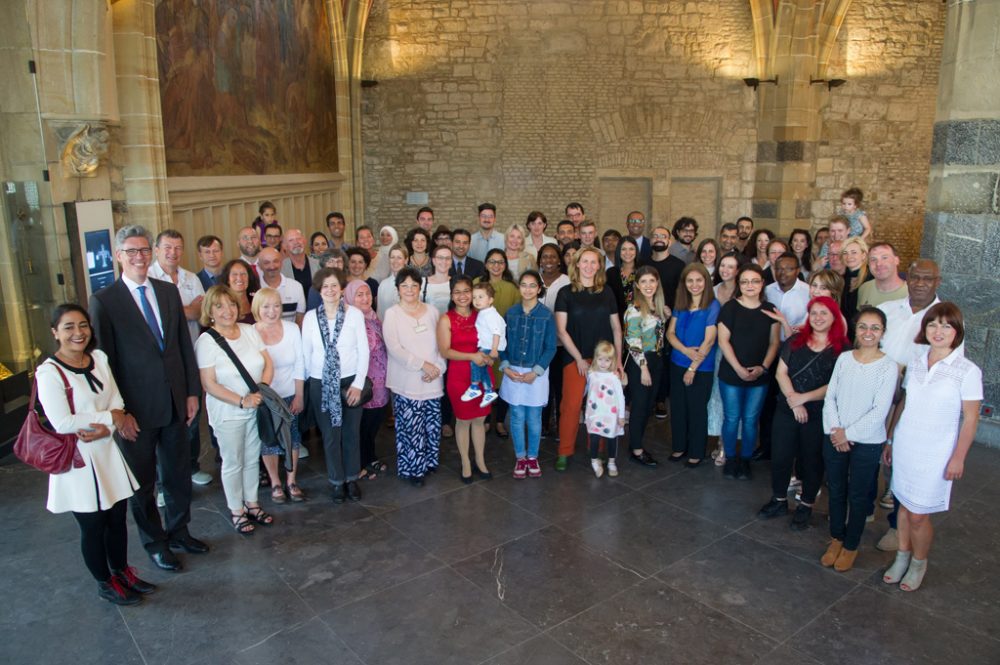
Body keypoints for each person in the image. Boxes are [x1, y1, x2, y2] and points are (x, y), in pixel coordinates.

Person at [90, 225, 206, 573]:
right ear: (118, 256)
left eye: (143, 251)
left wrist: (190, 392)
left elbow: (182, 347)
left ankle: (179, 530)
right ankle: (155, 543)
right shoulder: (105, 301)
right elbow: (104, 362)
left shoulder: (167, 292)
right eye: (131, 252)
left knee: (178, 473)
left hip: (174, 400)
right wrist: (119, 412)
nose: (139, 257)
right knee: (142, 483)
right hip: (135, 411)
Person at [38, 304, 150, 605]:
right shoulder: (49, 373)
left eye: (83, 325)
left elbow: (116, 400)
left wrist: (107, 422)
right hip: (78, 460)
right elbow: (62, 422)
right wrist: (108, 419)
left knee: (116, 518)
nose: (78, 333)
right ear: (55, 332)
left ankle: (122, 571)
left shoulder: (98, 358)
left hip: (105, 452)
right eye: (69, 327)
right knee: (92, 525)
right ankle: (104, 582)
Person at [882, 303, 981, 592]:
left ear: (957, 331)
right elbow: (904, 402)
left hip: (936, 452)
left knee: (918, 514)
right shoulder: (916, 362)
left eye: (947, 325)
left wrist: (958, 458)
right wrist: (890, 439)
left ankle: (919, 561)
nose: (939, 331)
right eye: (933, 324)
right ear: (924, 329)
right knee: (902, 506)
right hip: (906, 443)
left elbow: (971, 419)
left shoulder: (966, 371)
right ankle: (902, 556)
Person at [757, 296, 847, 530]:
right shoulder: (796, 340)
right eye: (814, 313)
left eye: (823, 313)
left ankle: (806, 505)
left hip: (818, 412)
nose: (818, 318)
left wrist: (804, 399)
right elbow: (781, 373)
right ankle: (778, 500)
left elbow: (836, 385)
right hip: (788, 408)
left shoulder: (843, 349)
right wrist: (794, 402)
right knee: (781, 456)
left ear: (834, 317)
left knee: (812, 459)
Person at [821, 306, 898, 572]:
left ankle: (851, 545)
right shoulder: (844, 359)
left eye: (875, 328)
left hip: (867, 441)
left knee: (858, 496)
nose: (868, 332)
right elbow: (830, 396)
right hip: (835, 435)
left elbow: (880, 410)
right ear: (855, 329)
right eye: (863, 326)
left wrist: (847, 434)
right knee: (836, 490)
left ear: (883, 332)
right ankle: (836, 538)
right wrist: (835, 430)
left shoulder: (888, 367)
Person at [196, 286, 275, 535]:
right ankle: (236, 510)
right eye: (219, 306)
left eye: (230, 304)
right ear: (209, 311)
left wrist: (261, 391)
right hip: (228, 412)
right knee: (233, 461)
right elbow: (209, 383)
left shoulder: (249, 331)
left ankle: (252, 503)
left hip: (256, 406)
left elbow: (267, 362)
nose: (227, 310)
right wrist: (242, 401)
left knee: (252, 458)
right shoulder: (206, 341)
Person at [302, 268, 370, 504]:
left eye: (334, 285)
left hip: (350, 381)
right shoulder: (310, 318)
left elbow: (364, 351)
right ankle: (336, 481)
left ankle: (352, 478)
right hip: (321, 383)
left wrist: (359, 384)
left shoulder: (354, 315)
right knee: (330, 435)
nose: (330, 290)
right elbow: (306, 354)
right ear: (319, 290)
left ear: (342, 289)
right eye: (325, 286)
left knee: (351, 433)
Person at [148, 230, 209, 486]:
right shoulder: (148, 277)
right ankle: (164, 482)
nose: (173, 252)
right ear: (156, 249)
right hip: (161, 363)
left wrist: (179, 310)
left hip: (191, 356)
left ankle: (192, 466)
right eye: (168, 247)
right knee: (165, 420)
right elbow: (157, 316)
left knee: (192, 413)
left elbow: (201, 313)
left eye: (177, 248)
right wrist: (185, 309)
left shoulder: (191, 278)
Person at [554, 247, 623, 471]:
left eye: (594, 262)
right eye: (585, 261)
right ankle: (565, 451)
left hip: (603, 361)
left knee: (603, 407)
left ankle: (600, 449)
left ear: (599, 266)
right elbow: (561, 331)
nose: (589, 266)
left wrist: (618, 361)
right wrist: (579, 359)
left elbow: (616, 328)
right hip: (576, 359)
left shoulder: (607, 292)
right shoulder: (565, 293)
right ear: (577, 264)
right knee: (571, 406)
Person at [716, 263, 780, 480]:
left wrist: (762, 368)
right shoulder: (730, 308)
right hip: (732, 374)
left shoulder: (770, 310)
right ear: (739, 284)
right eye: (744, 281)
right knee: (732, 418)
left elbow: (774, 343)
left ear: (762, 283)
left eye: (754, 281)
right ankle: (731, 458)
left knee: (751, 420)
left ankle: (745, 460)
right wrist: (739, 369)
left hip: (759, 376)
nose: (749, 285)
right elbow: (723, 341)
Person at [383, 267, 446, 486]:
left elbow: (441, 343)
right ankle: (413, 469)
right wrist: (423, 365)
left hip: (433, 378)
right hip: (406, 380)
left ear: (421, 287)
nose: (409, 289)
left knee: (431, 424)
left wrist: (437, 367)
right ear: (398, 289)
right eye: (404, 285)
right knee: (411, 427)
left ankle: (429, 462)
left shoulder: (432, 311)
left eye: (414, 285)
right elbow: (394, 348)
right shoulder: (392, 314)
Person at [499, 270, 556, 479]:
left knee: (533, 417)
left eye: (532, 285)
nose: (528, 289)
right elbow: (502, 343)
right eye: (524, 284)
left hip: (536, 372)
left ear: (539, 289)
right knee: (516, 416)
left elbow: (551, 348)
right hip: (513, 370)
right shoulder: (511, 313)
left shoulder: (546, 315)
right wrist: (505, 366)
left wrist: (536, 372)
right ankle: (520, 457)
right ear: (519, 287)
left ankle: (533, 456)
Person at [438, 276, 494, 483]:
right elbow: (445, 350)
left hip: (482, 373)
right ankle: (465, 462)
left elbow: (493, 338)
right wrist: (472, 356)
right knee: (463, 420)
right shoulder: (446, 319)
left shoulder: (483, 315)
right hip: (460, 375)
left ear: (473, 292)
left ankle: (480, 460)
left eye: (466, 291)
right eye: (457, 292)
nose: (462, 296)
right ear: (452, 295)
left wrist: (491, 355)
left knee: (480, 419)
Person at [252, 288, 306, 503]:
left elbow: (300, 364)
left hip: (290, 394)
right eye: (266, 306)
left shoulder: (292, 329)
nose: (272, 311)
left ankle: (291, 480)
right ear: (257, 308)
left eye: (276, 306)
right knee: (269, 441)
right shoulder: (250, 331)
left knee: (293, 439)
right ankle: (275, 482)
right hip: (265, 398)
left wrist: (299, 395)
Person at [666, 263, 720, 467]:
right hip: (677, 362)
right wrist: (685, 350)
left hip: (701, 368)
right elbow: (670, 333)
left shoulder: (713, 306)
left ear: (706, 281)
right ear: (684, 283)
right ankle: (679, 447)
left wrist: (692, 367)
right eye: (690, 280)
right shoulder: (681, 304)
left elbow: (708, 341)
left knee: (696, 409)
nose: (694, 284)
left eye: (699, 280)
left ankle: (696, 451)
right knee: (678, 407)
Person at [343, 280, 390, 481]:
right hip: (363, 382)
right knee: (361, 425)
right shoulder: (348, 320)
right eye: (359, 295)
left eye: (367, 294)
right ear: (349, 298)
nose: (365, 298)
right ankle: (359, 463)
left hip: (381, 381)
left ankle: (370, 457)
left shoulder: (373, 317)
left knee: (374, 422)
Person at [623, 266, 669, 468]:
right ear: (637, 285)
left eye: (652, 281)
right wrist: (643, 368)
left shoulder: (658, 307)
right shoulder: (634, 310)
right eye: (643, 282)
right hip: (641, 363)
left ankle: (636, 443)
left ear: (657, 282)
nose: (648, 285)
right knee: (640, 406)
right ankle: (636, 450)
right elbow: (633, 341)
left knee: (648, 405)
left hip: (657, 360)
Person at [477, 248, 522, 437]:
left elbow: (517, 315)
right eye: (492, 262)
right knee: (484, 379)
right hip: (482, 342)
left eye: (500, 262)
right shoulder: (477, 284)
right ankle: (485, 419)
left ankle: (500, 420)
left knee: (503, 381)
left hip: (504, 342)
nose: (496, 266)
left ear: (505, 265)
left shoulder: (512, 288)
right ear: (486, 264)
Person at [647, 226, 685, 418]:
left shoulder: (678, 265)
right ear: (650, 240)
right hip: (646, 320)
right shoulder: (643, 262)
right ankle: (647, 396)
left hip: (670, 320)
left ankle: (660, 399)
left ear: (669, 240)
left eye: (663, 236)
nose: (659, 239)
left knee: (664, 361)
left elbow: (682, 294)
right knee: (647, 358)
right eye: (655, 236)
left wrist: (673, 314)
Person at [708, 253, 741, 463]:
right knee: (717, 396)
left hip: (736, 349)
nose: (726, 270)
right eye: (723, 266)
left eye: (731, 267)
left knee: (733, 397)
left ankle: (729, 443)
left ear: (738, 270)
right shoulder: (713, 291)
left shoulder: (743, 291)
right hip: (714, 349)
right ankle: (720, 441)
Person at [538, 243, 570, 437]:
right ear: (539, 260)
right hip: (539, 346)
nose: (548, 261)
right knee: (542, 386)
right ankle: (542, 424)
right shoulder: (533, 280)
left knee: (560, 387)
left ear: (559, 260)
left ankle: (560, 425)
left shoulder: (566, 281)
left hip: (560, 345)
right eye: (544, 257)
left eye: (552, 257)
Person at [585, 341, 626, 478]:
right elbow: (587, 392)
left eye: (607, 360)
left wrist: (621, 416)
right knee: (594, 438)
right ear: (595, 358)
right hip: (595, 413)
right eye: (600, 359)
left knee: (611, 439)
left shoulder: (614, 377)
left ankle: (611, 462)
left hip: (611, 414)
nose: (603, 363)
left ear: (612, 361)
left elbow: (620, 397)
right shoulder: (591, 374)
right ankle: (594, 460)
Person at [461, 282, 505, 407]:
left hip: (490, 346)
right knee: (484, 369)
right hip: (487, 345)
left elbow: (497, 332)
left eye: (481, 297)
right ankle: (489, 391)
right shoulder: (484, 312)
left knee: (475, 362)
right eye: (474, 297)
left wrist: (494, 350)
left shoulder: (491, 315)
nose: (476, 300)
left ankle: (474, 387)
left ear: (490, 300)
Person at [259, 248, 305, 326]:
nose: (272, 266)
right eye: (266, 263)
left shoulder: (296, 287)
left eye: (275, 261)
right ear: (259, 266)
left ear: (281, 263)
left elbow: (299, 322)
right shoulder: (255, 287)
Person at [858, 242, 907, 307]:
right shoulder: (864, 289)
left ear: (896, 260)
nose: (878, 264)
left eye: (884, 257)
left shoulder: (910, 293)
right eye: (873, 259)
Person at [839, 236, 872, 332]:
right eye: (845, 253)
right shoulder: (842, 279)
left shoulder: (870, 278)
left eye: (854, 252)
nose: (849, 257)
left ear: (863, 255)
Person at [606, 236, 641, 318]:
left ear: (636, 251)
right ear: (618, 251)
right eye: (623, 249)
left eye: (631, 249)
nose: (627, 252)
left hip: (640, 321)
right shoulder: (611, 273)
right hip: (617, 320)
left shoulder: (644, 271)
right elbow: (608, 300)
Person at [281, 229, 320, 297]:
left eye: (298, 238)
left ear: (304, 241)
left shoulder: (318, 264)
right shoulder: (281, 268)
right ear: (284, 246)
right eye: (291, 240)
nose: (296, 242)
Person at [377, 244, 409, 320]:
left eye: (399, 258)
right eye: (392, 257)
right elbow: (380, 313)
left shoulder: (414, 283)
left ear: (406, 260)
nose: (395, 261)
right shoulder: (383, 285)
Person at [421, 244, 454, 314]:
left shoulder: (457, 283)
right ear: (433, 261)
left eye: (447, 258)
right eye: (440, 258)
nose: (444, 261)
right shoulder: (422, 283)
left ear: (451, 262)